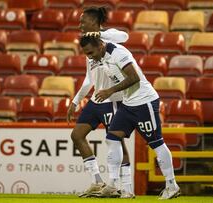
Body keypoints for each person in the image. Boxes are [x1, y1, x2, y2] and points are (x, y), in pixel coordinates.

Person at [78, 34, 181, 200]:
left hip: (144, 102)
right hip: (128, 104)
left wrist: (110, 91)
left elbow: (134, 78)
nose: (89, 57)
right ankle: (113, 184)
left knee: (156, 143)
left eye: (90, 53)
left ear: (100, 46)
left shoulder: (118, 53)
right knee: (112, 138)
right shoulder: (102, 56)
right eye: (86, 54)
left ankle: (171, 185)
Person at [67, 7, 134, 198]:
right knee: (77, 135)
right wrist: (76, 101)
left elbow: (125, 36)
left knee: (117, 142)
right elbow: (89, 79)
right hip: (96, 99)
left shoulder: (107, 38)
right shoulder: (89, 45)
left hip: (113, 99)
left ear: (94, 21)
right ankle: (97, 182)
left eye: (83, 21)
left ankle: (126, 187)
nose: (79, 25)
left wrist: (101, 33)